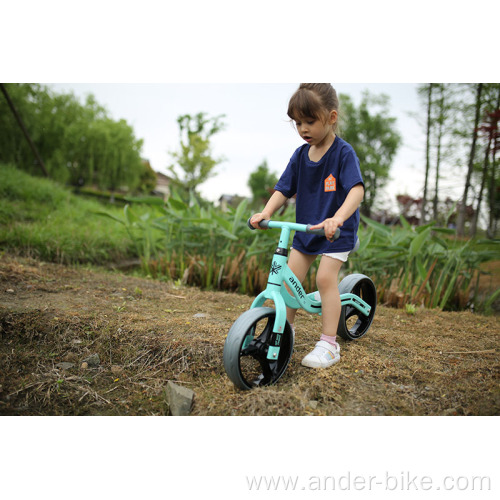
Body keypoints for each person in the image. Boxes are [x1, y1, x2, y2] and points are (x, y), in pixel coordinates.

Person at [250, 83, 365, 369]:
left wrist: (338, 218)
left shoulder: (343, 153)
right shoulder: (301, 155)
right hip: (306, 231)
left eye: (310, 121)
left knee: (325, 279)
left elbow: (357, 190)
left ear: (332, 117)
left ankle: (329, 344)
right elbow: (283, 188)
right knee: (287, 281)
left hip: (335, 232)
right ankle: (282, 334)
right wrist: (265, 211)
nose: (303, 128)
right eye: (298, 122)